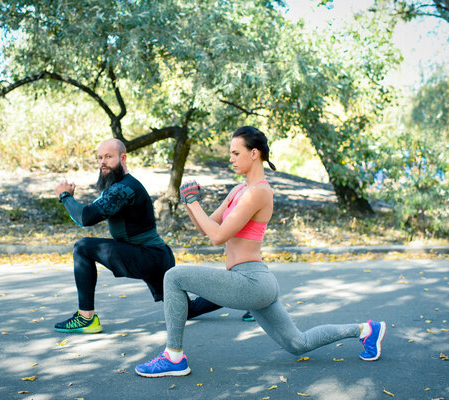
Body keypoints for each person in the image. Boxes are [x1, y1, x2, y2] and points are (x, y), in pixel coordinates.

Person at [135, 126, 386, 377]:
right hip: (255, 282)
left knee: (174, 276)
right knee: (298, 344)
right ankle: (366, 330)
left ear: (254, 153)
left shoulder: (259, 192)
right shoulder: (238, 191)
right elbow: (205, 229)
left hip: (250, 281)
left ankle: (174, 357)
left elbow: (218, 237)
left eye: (235, 153)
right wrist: (189, 203)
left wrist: (194, 203)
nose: (230, 158)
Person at [53, 138, 217, 333]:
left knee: (83, 247)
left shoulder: (124, 188)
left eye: (108, 157)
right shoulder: (117, 186)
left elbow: (86, 218)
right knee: (186, 311)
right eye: (99, 158)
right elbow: (85, 215)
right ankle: (243, 296)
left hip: (148, 256)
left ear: (123, 158)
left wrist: (65, 197)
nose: (102, 162)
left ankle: (86, 317)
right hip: (156, 256)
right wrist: (70, 200)